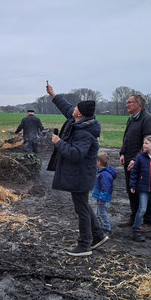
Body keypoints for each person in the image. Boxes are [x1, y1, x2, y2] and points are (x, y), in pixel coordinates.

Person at [46, 83, 108, 256]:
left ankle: (84, 246)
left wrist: (59, 143)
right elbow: (66, 107)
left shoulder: (84, 133)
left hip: (81, 176)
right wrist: (53, 95)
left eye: (76, 108)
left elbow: (76, 154)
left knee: (81, 209)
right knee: (83, 205)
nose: (73, 109)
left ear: (79, 113)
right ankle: (99, 235)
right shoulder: (79, 121)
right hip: (80, 175)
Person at [117, 94, 151, 230]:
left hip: (142, 163)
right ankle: (134, 218)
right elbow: (126, 138)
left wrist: (135, 159)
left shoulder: (148, 120)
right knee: (131, 190)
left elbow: (148, 144)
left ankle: (148, 222)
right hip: (129, 162)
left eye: (129, 102)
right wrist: (122, 152)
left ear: (138, 104)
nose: (126, 105)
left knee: (144, 191)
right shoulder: (132, 119)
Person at [92, 152, 117, 234]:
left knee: (102, 213)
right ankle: (102, 226)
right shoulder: (101, 171)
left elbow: (106, 188)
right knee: (100, 212)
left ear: (99, 162)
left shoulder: (105, 174)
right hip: (101, 197)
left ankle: (106, 228)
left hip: (103, 198)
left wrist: (102, 199)